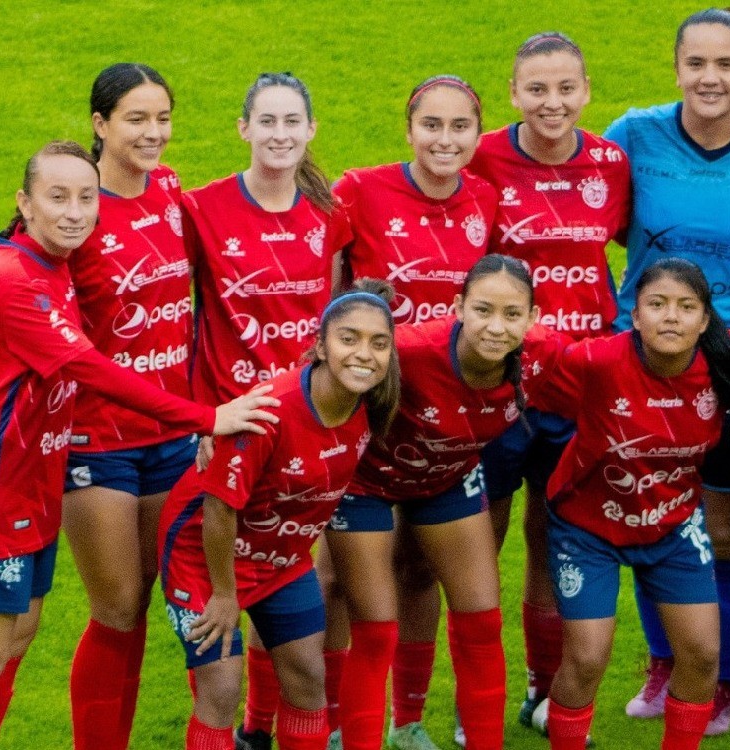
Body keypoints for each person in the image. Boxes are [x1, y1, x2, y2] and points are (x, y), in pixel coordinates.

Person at [0, 140, 279, 734]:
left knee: (19, 634)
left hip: (33, 486)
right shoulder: (15, 278)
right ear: (24, 203)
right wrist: (207, 417)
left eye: (85, 198)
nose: (75, 212)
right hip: (13, 491)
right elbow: (90, 368)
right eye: (57, 198)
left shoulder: (51, 264)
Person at [603, 7, 730, 732]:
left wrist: (726, 298)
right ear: (677, 68)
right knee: (648, 516)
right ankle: (665, 664)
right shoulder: (633, 135)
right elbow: (606, 225)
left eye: (725, 64)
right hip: (644, 358)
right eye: (696, 63)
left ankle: (721, 680)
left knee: (726, 531)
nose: (710, 77)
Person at [324, 255, 563, 750]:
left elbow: (618, 366)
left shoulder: (546, 354)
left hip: (447, 479)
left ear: (533, 318)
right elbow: (313, 379)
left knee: (482, 620)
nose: (496, 327)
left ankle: (435, 733)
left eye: (512, 314)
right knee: (374, 628)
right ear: (457, 308)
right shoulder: (408, 351)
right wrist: (228, 426)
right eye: (483, 310)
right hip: (367, 483)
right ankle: (339, 733)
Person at [466, 31, 630, 736]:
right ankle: (477, 700)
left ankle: (540, 692)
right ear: (514, 93)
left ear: (586, 91)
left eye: (566, 88)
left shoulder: (611, 163)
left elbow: (632, 251)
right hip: (499, 386)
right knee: (481, 542)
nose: (552, 102)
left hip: (578, 389)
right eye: (537, 88)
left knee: (551, 534)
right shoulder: (482, 157)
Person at [328, 74, 497, 750]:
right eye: (431, 125)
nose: (445, 140)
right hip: (368, 422)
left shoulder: (485, 198)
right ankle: (335, 726)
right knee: (342, 584)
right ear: (408, 130)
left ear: (478, 135)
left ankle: (408, 721)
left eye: (460, 127)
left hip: (447, 427)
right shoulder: (360, 190)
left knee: (423, 570)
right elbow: (327, 294)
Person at [158, 283, 401, 750]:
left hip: (282, 560)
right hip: (203, 556)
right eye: (348, 339)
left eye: (379, 343)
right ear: (320, 347)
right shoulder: (269, 412)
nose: (364, 354)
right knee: (221, 686)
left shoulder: (374, 403)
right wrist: (224, 594)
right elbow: (218, 508)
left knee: (308, 678)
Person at [178, 72, 345, 750]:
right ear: (243, 128)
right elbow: (169, 305)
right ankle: (240, 723)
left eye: (291, 122)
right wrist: (196, 417)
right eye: (266, 121)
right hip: (227, 431)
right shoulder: (201, 209)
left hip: (301, 431)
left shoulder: (329, 213)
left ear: (311, 130)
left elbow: (337, 317)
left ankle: (259, 728)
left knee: (287, 581)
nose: (279, 134)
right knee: (224, 582)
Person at [532, 258, 730, 750]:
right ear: (635, 316)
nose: (671, 317)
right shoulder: (595, 361)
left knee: (702, 656)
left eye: (686, 307)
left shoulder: (729, 363)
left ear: (705, 320)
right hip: (586, 529)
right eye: (657, 304)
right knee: (586, 659)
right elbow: (528, 357)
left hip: (672, 525)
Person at [60, 63, 194, 750]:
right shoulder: (75, 209)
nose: (153, 133)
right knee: (116, 607)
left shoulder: (169, 190)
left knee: (159, 597)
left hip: (173, 435)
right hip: (98, 440)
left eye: (162, 118)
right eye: (136, 119)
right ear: (100, 123)